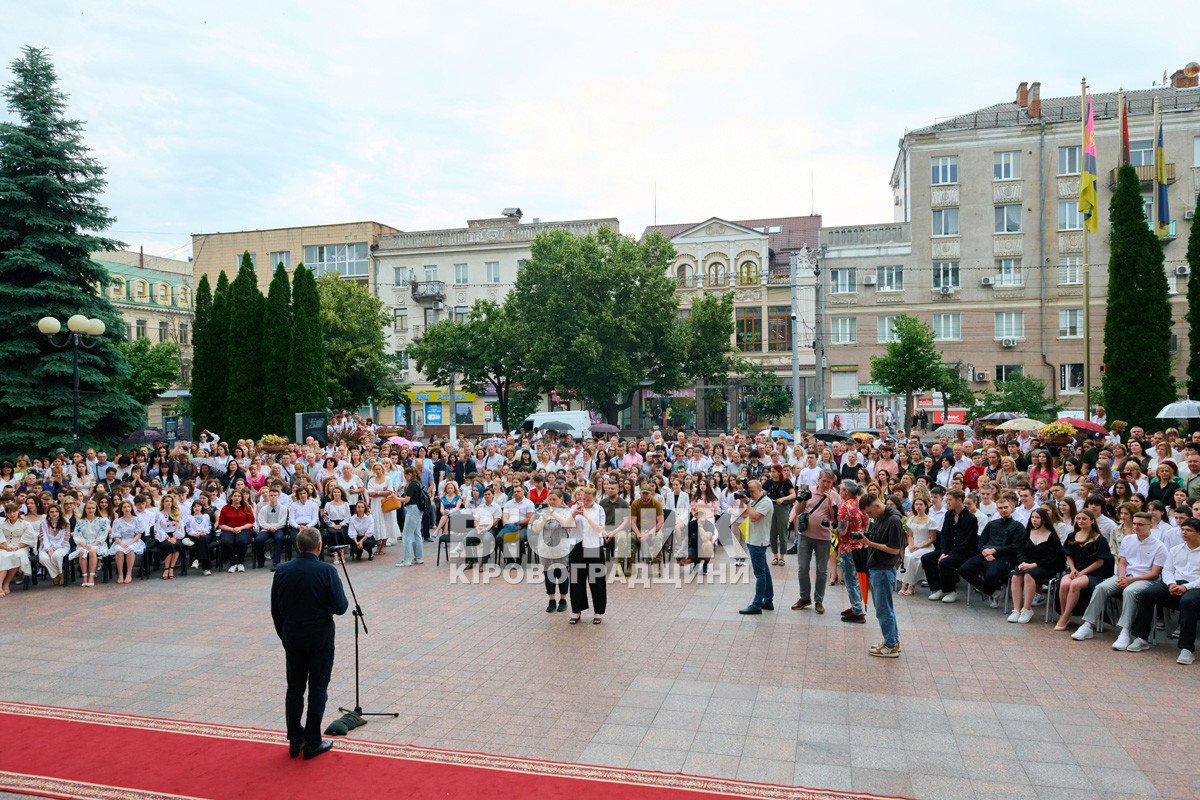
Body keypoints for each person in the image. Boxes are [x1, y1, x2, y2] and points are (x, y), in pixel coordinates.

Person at [270, 526, 348, 760]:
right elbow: (341, 607)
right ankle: (313, 741)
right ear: (320, 546)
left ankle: (295, 740)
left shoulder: (282, 570)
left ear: (298, 546)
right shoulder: (326, 571)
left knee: (294, 688)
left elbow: (276, 609)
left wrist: (284, 634)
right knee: (317, 688)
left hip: (292, 635)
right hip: (319, 637)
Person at [1072, 511, 1168, 648]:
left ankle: (1125, 631)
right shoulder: (1128, 539)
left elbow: (1155, 574)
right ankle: (1088, 625)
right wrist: (1122, 576)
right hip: (1125, 575)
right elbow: (1122, 562)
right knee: (1101, 587)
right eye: (1134, 523)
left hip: (1145, 579)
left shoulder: (1159, 546)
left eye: (1140, 524)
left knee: (1129, 592)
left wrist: (1130, 581)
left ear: (1150, 526)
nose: (1136, 527)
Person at [1124, 517, 1200, 662]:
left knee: (1188, 602)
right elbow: (1167, 570)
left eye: (1188, 530)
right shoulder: (1175, 549)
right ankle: (1141, 637)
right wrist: (1171, 584)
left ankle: (1187, 648)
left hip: (1195, 586)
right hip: (1174, 582)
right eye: (1182, 530)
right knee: (1147, 594)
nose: (1183, 533)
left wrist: (1185, 587)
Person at [960, 491, 1026, 607]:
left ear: (1011, 508)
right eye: (1000, 508)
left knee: (991, 575)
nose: (1003, 510)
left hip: (1004, 557)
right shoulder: (992, 524)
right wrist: (984, 552)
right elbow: (981, 541)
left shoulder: (1018, 526)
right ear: (997, 509)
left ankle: (996, 589)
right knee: (964, 569)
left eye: (1006, 507)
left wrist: (995, 551)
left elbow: (1015, 546)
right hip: (986, 554)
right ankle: (993, 592)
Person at [859, 493, 905, 657]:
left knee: (884, 610)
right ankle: (892, 640)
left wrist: (870, 544)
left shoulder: (893, 521)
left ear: (877, 506)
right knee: (885, 608)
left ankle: (890, 645)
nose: (869, 516)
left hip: (884, 568)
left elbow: (894, 549)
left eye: (869, 512)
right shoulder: (881, 518)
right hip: (877, 567)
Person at [1054, 509, 1114, 630]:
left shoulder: (1099, 539)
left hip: (1092, 573)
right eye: (1079, 518)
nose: (1080, 521)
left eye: (1084, 519)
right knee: (1064, 583)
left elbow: (1100, 562)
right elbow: (1068, 555)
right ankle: (1065, 613)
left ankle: (1064, 617)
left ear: (1092, 521)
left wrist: (1082, 573)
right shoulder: (1072, 535)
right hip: (1074, 570)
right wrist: (1072, 569)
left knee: (1075, 584)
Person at [792, 470, 837, 615]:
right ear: (818, 479)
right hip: (805, 535)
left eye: (829, 482)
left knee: (822, 570)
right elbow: (798, 511)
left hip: (823, 538)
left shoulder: (834, 496)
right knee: (803, 567)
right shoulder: (809, 491)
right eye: (823, 481)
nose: (825, 484)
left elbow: (835, 519)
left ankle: (819, 600)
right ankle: (805, 597)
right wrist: (802, 499)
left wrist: (831, 503)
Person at [1006, 508, 1063, 623]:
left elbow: (1052, 558)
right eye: (1032, 517)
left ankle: (1027, 609)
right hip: (1027, 564)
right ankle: (1016, 610)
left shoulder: (1052, 536)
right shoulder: (1028, 532)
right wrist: (1023, 562)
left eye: (1037, 517)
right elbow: (1021, 551)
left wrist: (1032, 565)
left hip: (1045, 566)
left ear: (1044, 519)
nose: (1034, 520)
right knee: (1016, 576)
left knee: (1028, 576)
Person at [923, 488, 978, 603]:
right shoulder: (949, 514)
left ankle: (951, 591)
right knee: (927, 558)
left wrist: (949, 554)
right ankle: (937, 588)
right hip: (949, 550)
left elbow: (966, 542)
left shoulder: (971, 518)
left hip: (964, 552)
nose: (947, 502)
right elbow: (945, 535)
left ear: (959, 500)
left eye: (950, 500)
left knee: (945, 562)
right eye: (947, 500)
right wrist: (944, 552)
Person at [567, 487, 608, 624]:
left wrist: (587, 516)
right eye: (583, 498)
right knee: (576, 580)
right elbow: (566, 526)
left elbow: (599, 529)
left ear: (594, 499)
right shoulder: (574, 508)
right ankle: (576, 611)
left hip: (594, 546)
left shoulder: (599, 509)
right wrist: (573, 514)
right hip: (577, 546)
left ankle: (598, 612)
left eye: (588, 500)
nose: (585, 501)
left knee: (596, 581)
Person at [737, 479, 774, 615]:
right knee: (765, 571)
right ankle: (768, 600)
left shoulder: (765, 502)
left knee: (760, 574)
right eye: (749, 491)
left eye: (751, 491)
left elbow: (753, 517)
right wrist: (743, 501)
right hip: (753, 539)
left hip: (758, 541)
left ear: (760, 490)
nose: (750, 493)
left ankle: (757, 604)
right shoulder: (754, 501)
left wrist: (747, 502)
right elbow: (744, 514)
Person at [898, 496, 935, 595]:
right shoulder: (911, 519)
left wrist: (920, 547)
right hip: (913, 545)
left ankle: (910, 584)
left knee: (911, 558)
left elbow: (932, 539)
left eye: (920, 504)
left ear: (925, 506)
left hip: (926, 546)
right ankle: (905, 583)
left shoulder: (930, 520)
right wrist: (910, 545)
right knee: (906, 556)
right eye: (916, 504)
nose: (918, 506)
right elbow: (910, 535)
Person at [73, 499, 110, 587]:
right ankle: (85, 576)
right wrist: (83, 545)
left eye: (93, 508)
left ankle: (92, 576)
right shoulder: (80, 522)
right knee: (82, 552)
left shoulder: (102, 521)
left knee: (92, 551)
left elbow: (103, 535)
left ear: (96, 509)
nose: (91, 510)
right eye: (89, 508)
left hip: (97, 543)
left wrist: (93, 544)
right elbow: (77, 535)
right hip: (83, 543)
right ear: (85, 509)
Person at [218, 489, 255, 573]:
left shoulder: (247, 507)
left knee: (241, 541)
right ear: (231, 497)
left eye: (239, 496)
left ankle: (240, 562)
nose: (236, 498)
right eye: (235, 496)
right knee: (225, 542)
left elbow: (251, 522)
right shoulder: (225, 508)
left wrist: (240, 528)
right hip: (229, 529)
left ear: (241, 498)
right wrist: (232, 529)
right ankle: (233, 563)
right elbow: (221, 524)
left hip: (245, 529)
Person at [38, 503, 71, 586]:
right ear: (48, 513)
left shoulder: (65, 521)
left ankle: (60, 573)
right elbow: (43, 538)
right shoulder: (43, 523)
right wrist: (48, 549)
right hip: (46, 546)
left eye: (56, 511)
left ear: (59, 512)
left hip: (62, 546)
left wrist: (55, 548)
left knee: (56, 556)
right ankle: (56, 575)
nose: (54, 514)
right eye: (52, 512)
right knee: (43, 558)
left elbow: (65, 538)